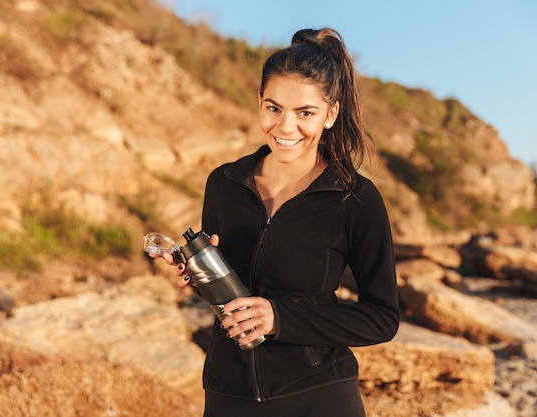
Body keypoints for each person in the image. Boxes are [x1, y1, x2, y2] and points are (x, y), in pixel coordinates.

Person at [159, 27, 400, 417]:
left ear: (331, 115)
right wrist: (198, 274)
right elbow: (234, 297)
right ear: (259, 103)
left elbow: (382, 318)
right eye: (274, 108)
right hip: (228, 392)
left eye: (305, 113)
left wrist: (279, 319)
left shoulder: (354, 198)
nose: (286, 128)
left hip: (318, 394)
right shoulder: (224, 183)